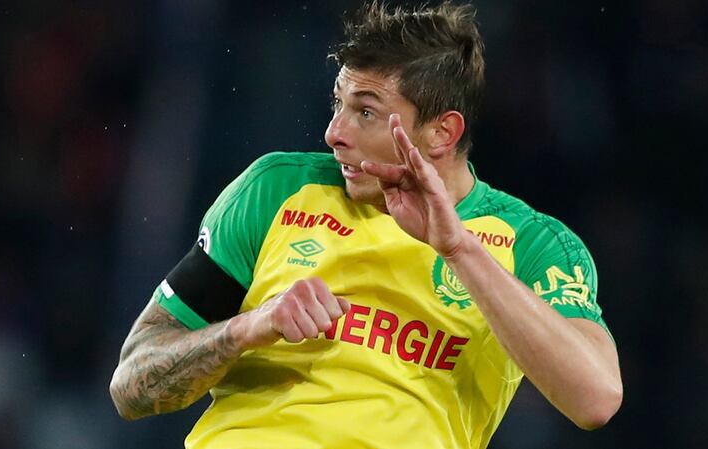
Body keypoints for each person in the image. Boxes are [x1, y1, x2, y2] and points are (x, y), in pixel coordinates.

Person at [109, 2, 622, 448]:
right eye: (339, 103)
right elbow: (131, 385)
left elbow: (594, 399)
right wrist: (249, 326)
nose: (334, 133)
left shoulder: (533, 243)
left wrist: (460, 250)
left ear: (442, 132)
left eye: (367, 112)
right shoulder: (275, 190)